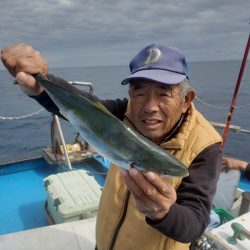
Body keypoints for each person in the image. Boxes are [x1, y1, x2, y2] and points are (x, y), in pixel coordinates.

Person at [1, 43, 222, 250]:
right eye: (140, 92)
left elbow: (195, 224)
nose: (149, 107)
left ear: (186, 100)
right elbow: (83, 108)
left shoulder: (205, 145)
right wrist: (42, 82)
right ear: (130, 95)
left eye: (164, 93)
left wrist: (164, 212)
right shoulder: (125, 113)